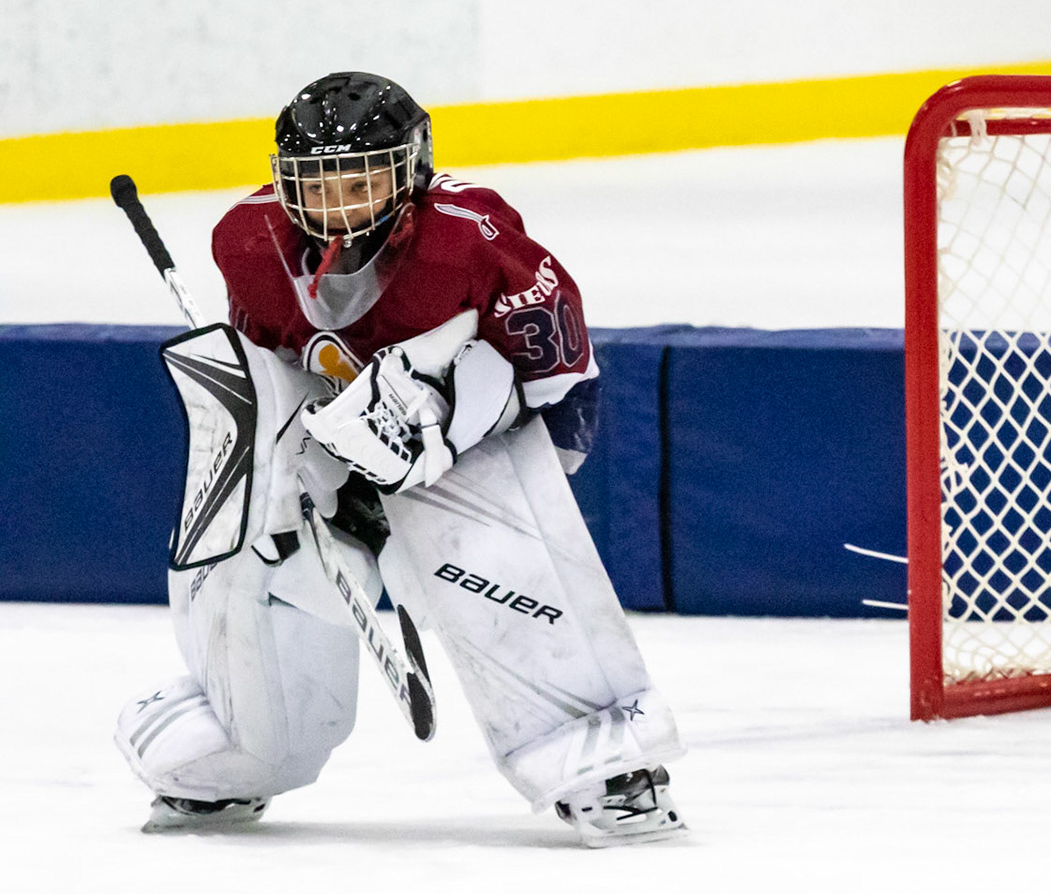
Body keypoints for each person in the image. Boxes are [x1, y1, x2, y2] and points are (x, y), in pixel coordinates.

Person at [114, 71, 685, 847]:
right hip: (324, 433)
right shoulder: (247, 240)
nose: (338, 206)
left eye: (360, 182)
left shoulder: (473, 240)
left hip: (457, 434)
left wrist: (489, 469)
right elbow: (273, 369)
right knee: (256, 535)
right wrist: (323, 473)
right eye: (317, 185)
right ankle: (241, 745)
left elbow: (561, 380)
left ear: (411, 168)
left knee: (484, 550)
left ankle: (601, 756)